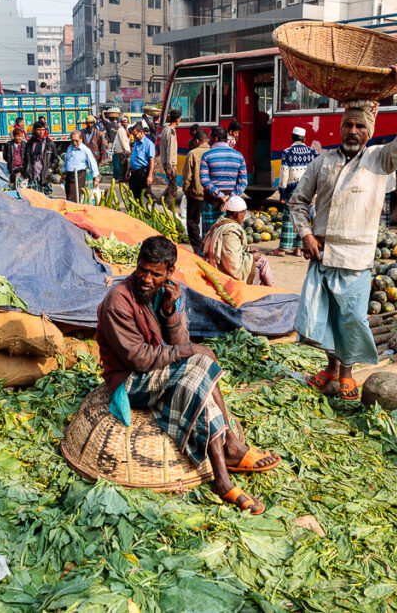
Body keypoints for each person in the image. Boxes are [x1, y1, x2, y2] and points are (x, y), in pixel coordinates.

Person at [96, 236, 280, 515]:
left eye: (155, 274)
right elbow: (140, 359)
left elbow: (179, 339)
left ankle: (222, 474)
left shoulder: (164, 292)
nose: (146, 279)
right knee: (197, 362)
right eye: (142, 270)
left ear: (169, 272)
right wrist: (191, 350)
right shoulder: (117, 302)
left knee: (197, 373)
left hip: (154, 370)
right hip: (130, 381)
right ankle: (230, 448)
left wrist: (170, 311)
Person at [289, 64, 397, 401]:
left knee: (351, 318)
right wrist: (305, 234)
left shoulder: (380, 160)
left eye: (361, 126)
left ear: (369, 132)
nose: (353, 130)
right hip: (322, 253)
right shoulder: (322, 162)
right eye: (348, 124)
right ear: (340, 127)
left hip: (357, 258)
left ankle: (347, 374)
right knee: (327, 317)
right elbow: (298, 201)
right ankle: (331, 368)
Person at [202, 196, 275, 286]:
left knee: (259, 263)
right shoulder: (230, 233)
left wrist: (248, 250)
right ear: (237, 214)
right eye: (243, 214)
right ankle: (273, 289)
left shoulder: (220, 223)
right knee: (262, 261)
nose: (244, 217)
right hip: (223, 270)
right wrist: (251, 258)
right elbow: (233, 264)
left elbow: (229, 251)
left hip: (218, 264)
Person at [272, 127, 319, 257]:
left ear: (292, 137)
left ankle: (282, 249)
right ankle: (298, 249)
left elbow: (284, 174)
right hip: (309, 190)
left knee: (289, 218)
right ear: (304, 138)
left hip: (293, 191)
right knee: (303, 218)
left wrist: (282, 192)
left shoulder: (287, 152)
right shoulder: (313, 153)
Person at [199, 126, 248, 236]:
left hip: (211, 203)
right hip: (232, 207)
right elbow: (243, 182)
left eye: (210, 138)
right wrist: (230, 198)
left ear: (215, 138)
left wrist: (221, 196)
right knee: (228, 238)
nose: (209, 141)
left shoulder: (207, 155)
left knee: (209, 237)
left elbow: (204, 180)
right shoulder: (239, 156)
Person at [182, 129, 210, 254]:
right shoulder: (213, 152)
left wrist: (186, 190)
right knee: (208, 221)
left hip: (196, 193)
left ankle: (199, 249)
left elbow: (187, 176)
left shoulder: (193, 153)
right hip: (212, 193)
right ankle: (208, 248)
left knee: (192, 222)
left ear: (197, 141)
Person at [22, 120, 60, 196]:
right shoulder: (29, 144)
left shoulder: (49, 144)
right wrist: (26, 172)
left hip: (45, 176)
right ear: (34, 130)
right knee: (34, 199)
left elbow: (56, 159)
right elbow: (25, 159)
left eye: (43, 130)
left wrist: (50, 170)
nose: (41, 132)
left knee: (46, 200)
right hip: (33, 176)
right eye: (39, 130)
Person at [63, 130, 101, 203]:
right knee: (68, 195)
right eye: (72, 141)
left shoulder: (85, 150)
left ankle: (73, 212)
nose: (74, 143)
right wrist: (63, 173)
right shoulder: (70, 148)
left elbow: (92, 163)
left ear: (81, 139)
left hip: (78, 175)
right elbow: (66, 161)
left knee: (73, 196)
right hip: (69, 174)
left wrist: (96, 178)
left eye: (76, 140)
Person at [157, 109, 182, 210]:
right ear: (177, 119)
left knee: (171, 184)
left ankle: (159, 201)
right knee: (173, 188)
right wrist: (169, 168)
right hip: (170, 164)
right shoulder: (171, 131)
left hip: (167, 163)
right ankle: (170, 209)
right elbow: (169, 150)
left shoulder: (165, 129)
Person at [127, 121, 156, 202]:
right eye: (133, 134)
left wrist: (150, 176)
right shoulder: (136, 142)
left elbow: (152, 161)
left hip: (143, 173)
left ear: (141, 132)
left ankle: (158, 208)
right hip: (134, 172)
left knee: (147, 193)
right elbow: (134, 157)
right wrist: (128, 170)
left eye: (135, 134)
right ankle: (136, 213)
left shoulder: (148, 144)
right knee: (134, 195)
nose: (134, 136)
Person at [111, 116, 132, 184]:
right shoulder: (121, 130)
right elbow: (124, 141)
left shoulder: (126, 130)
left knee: (124, 165)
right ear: (122, 123)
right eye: (124, 122)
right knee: (122, 165)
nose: (125, 124)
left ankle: (123, 178)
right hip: (121, 151)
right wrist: (128, 150)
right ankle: (121, 178)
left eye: (126, 122)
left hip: (123, 150)